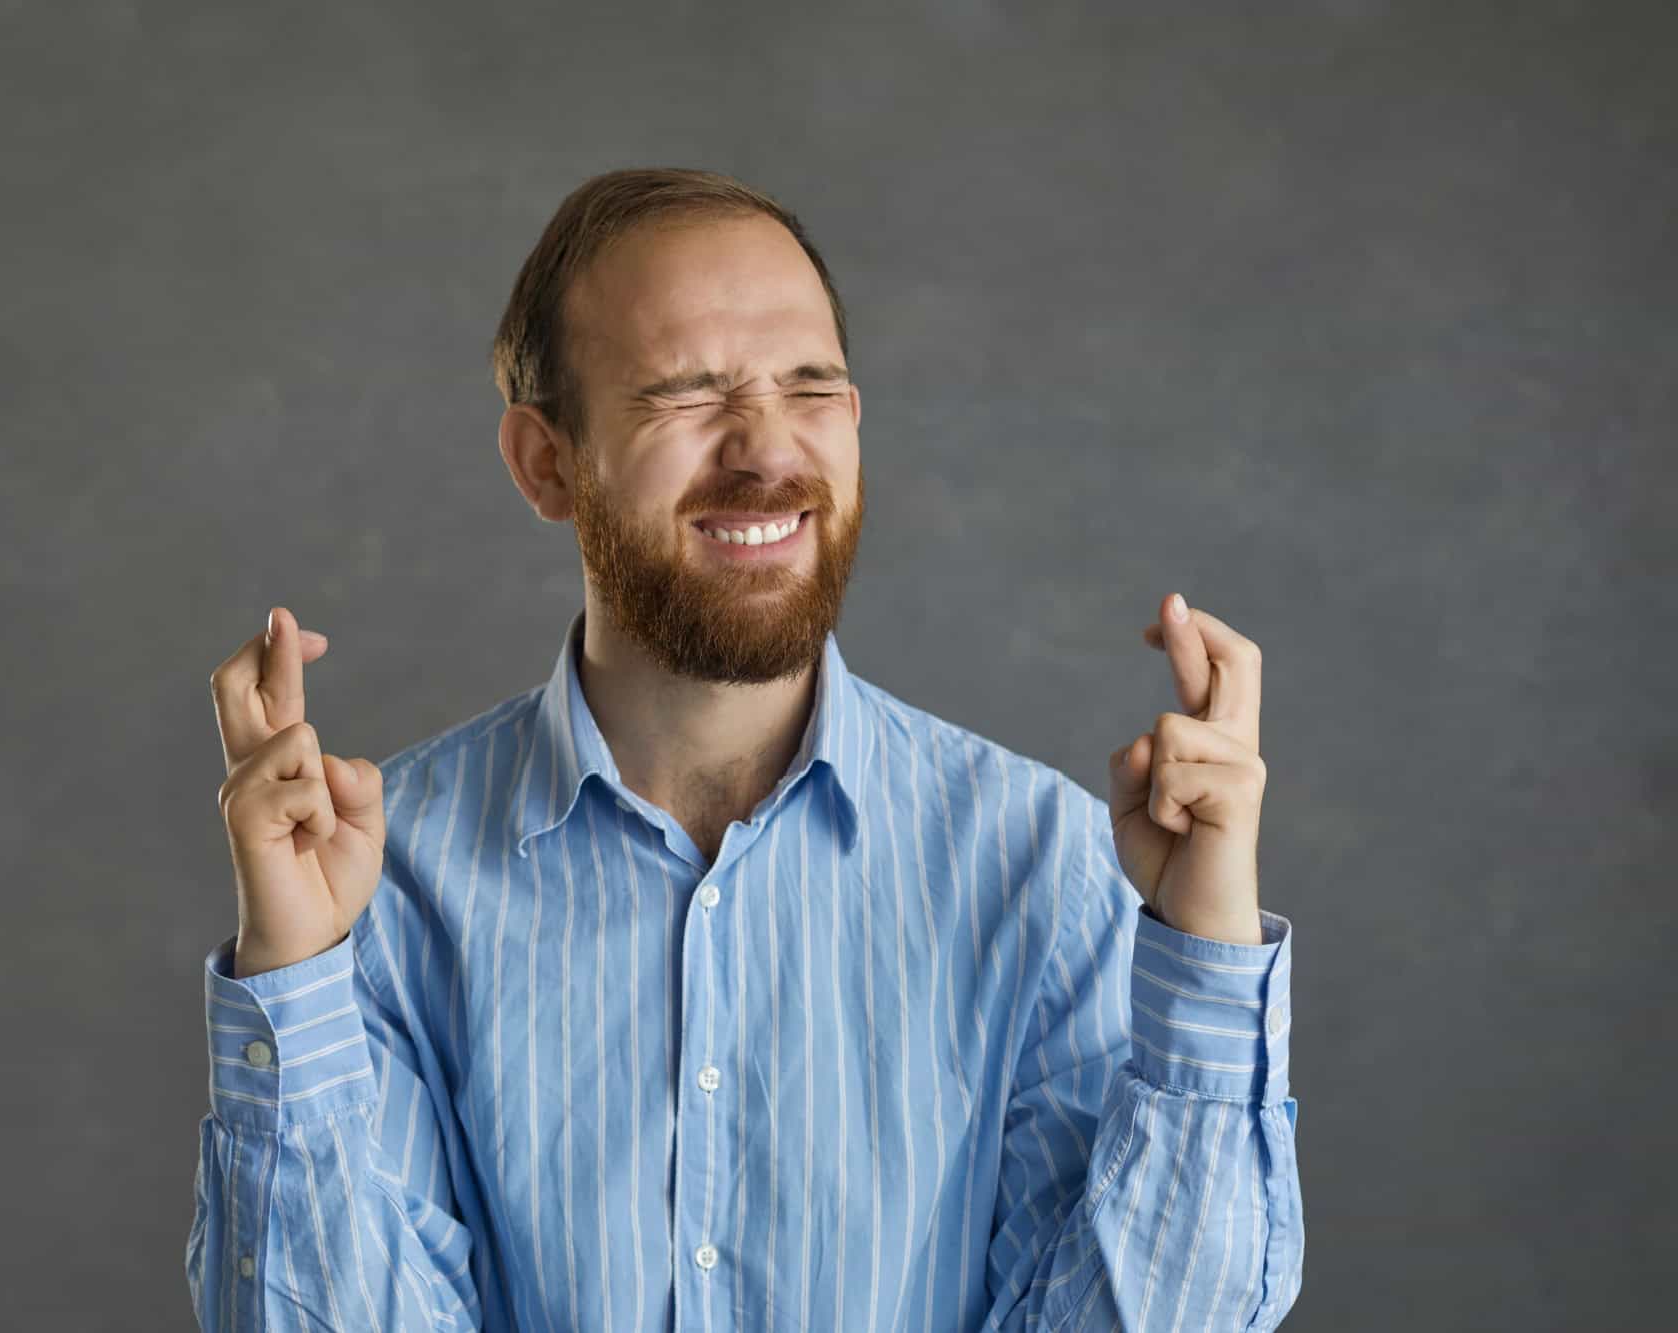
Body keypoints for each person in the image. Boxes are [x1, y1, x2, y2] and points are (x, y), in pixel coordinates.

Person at [186, 167, 1303, 1332]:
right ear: (545, 463)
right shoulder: (380, 882)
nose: (767, 451)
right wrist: (296, 979)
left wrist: (1204, 962)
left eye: (809, 386)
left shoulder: (1040, 859)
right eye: (684, 393)